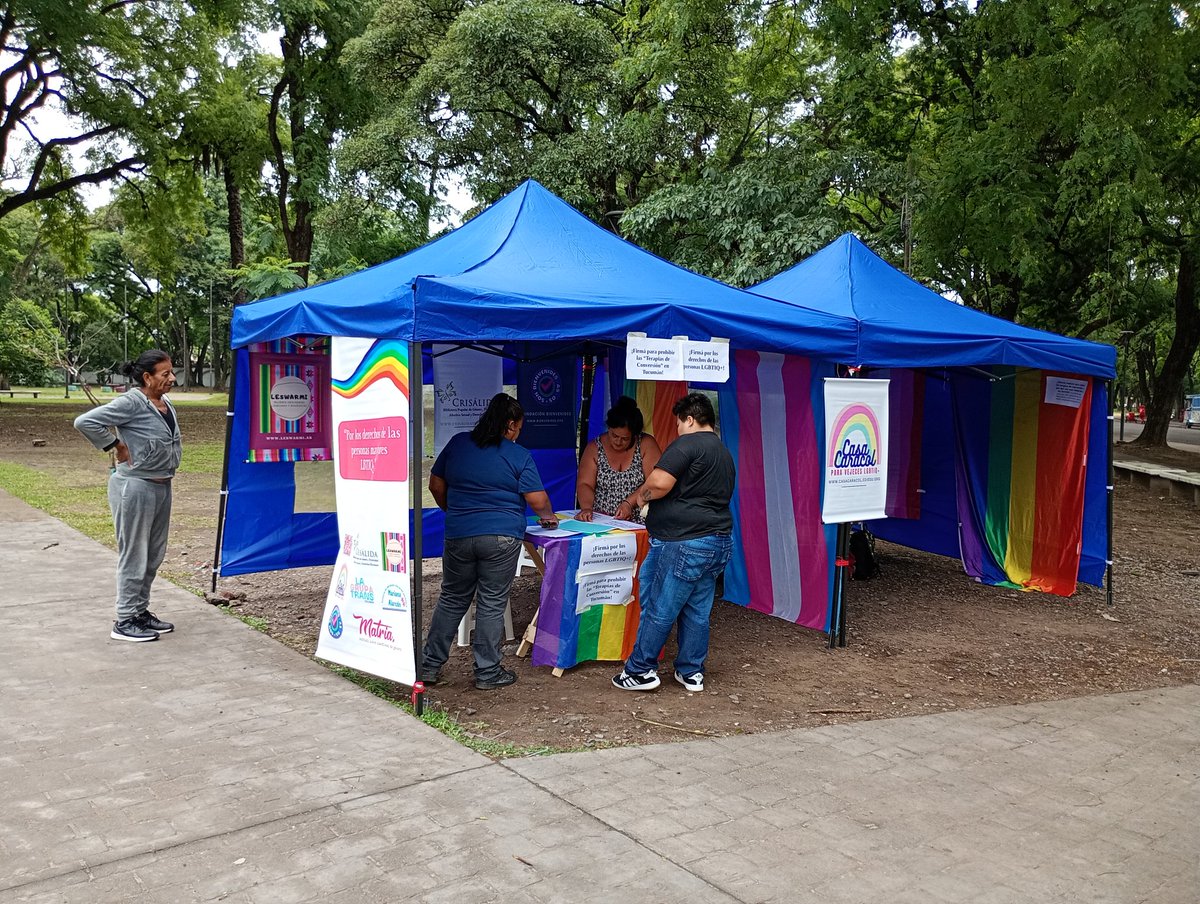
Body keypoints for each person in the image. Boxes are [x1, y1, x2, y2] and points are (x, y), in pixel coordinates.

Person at [420, 393, 559, 690]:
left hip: (459, 532)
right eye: (518, 428)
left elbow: (435, 484)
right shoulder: (518, 455)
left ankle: (429, 667)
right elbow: (537, 500)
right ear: (510, 425)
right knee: (492, 602)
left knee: (452, 597)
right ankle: (487, 672)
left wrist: (454, 511)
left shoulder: (458, 443)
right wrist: (548, 516)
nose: (518, 434)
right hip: (501, 536)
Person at [612, 392, 735, 694]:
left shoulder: (687, 444)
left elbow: (659, 482)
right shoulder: (723, 451)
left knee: (660, 607)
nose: (678, 429)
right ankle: (691, 671)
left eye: (680, 422)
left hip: (683, 543)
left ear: (690, 419)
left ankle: (640, 670)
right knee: (697, 610)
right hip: (717, 541)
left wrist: (642, 497)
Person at [74, 350, 181, 642]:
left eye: (172, 372)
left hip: (162, 485)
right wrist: (115, 445)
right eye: (165, 374)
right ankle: (124, 620)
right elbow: (85, 421)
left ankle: (139, 611)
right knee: (134, 553)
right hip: (135, 487)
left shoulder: (164, 402)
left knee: (153, 554)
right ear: (147, 377)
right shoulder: (132, 402)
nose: (172, 378)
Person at [576, 395, 661, 524]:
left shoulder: (646, 444)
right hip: (602, 520)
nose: (618, 441)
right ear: (608, 428)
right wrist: (587, 508)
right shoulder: (595, 447)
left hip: (640, 521)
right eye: (614, 435)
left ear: (635, 435)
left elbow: (654, 483)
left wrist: (629, 503)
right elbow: (585, 484)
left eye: (625, 438)